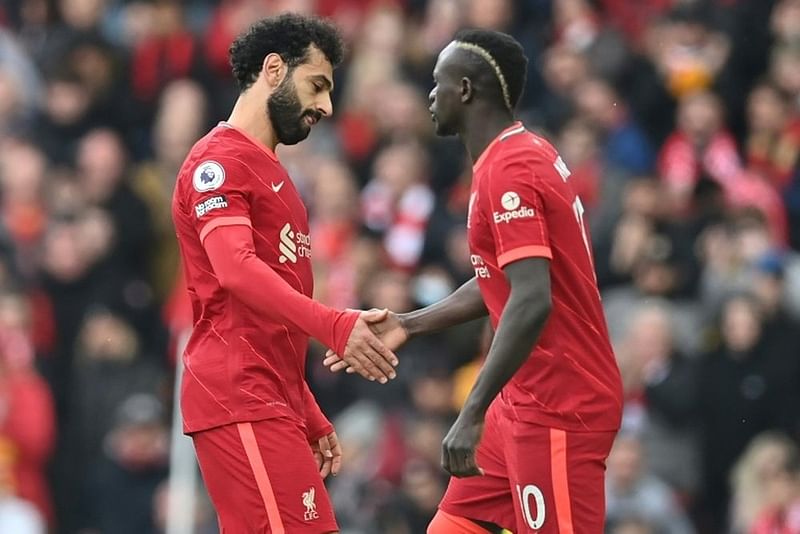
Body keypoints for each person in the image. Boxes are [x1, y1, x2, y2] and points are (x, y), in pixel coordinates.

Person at [326, 28, 623, 533]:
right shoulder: (514, 156)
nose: (430, 94)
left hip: (560, 405)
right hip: (522, 397)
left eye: (437, 82)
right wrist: (411, 323)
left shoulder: (511, 168)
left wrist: (471, 409)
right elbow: (501, 282)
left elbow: (532, 300)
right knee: (452, 526)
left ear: (465, 89)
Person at [171, 13, 399, 533]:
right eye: (317, 85)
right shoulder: (219, 163)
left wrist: (305, 403)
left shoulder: (272, 172)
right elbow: (235, 271)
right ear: (274, 69)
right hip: (238, 392)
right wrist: (336, 326)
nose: (327, 106)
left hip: (269, 394)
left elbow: (267, 317)